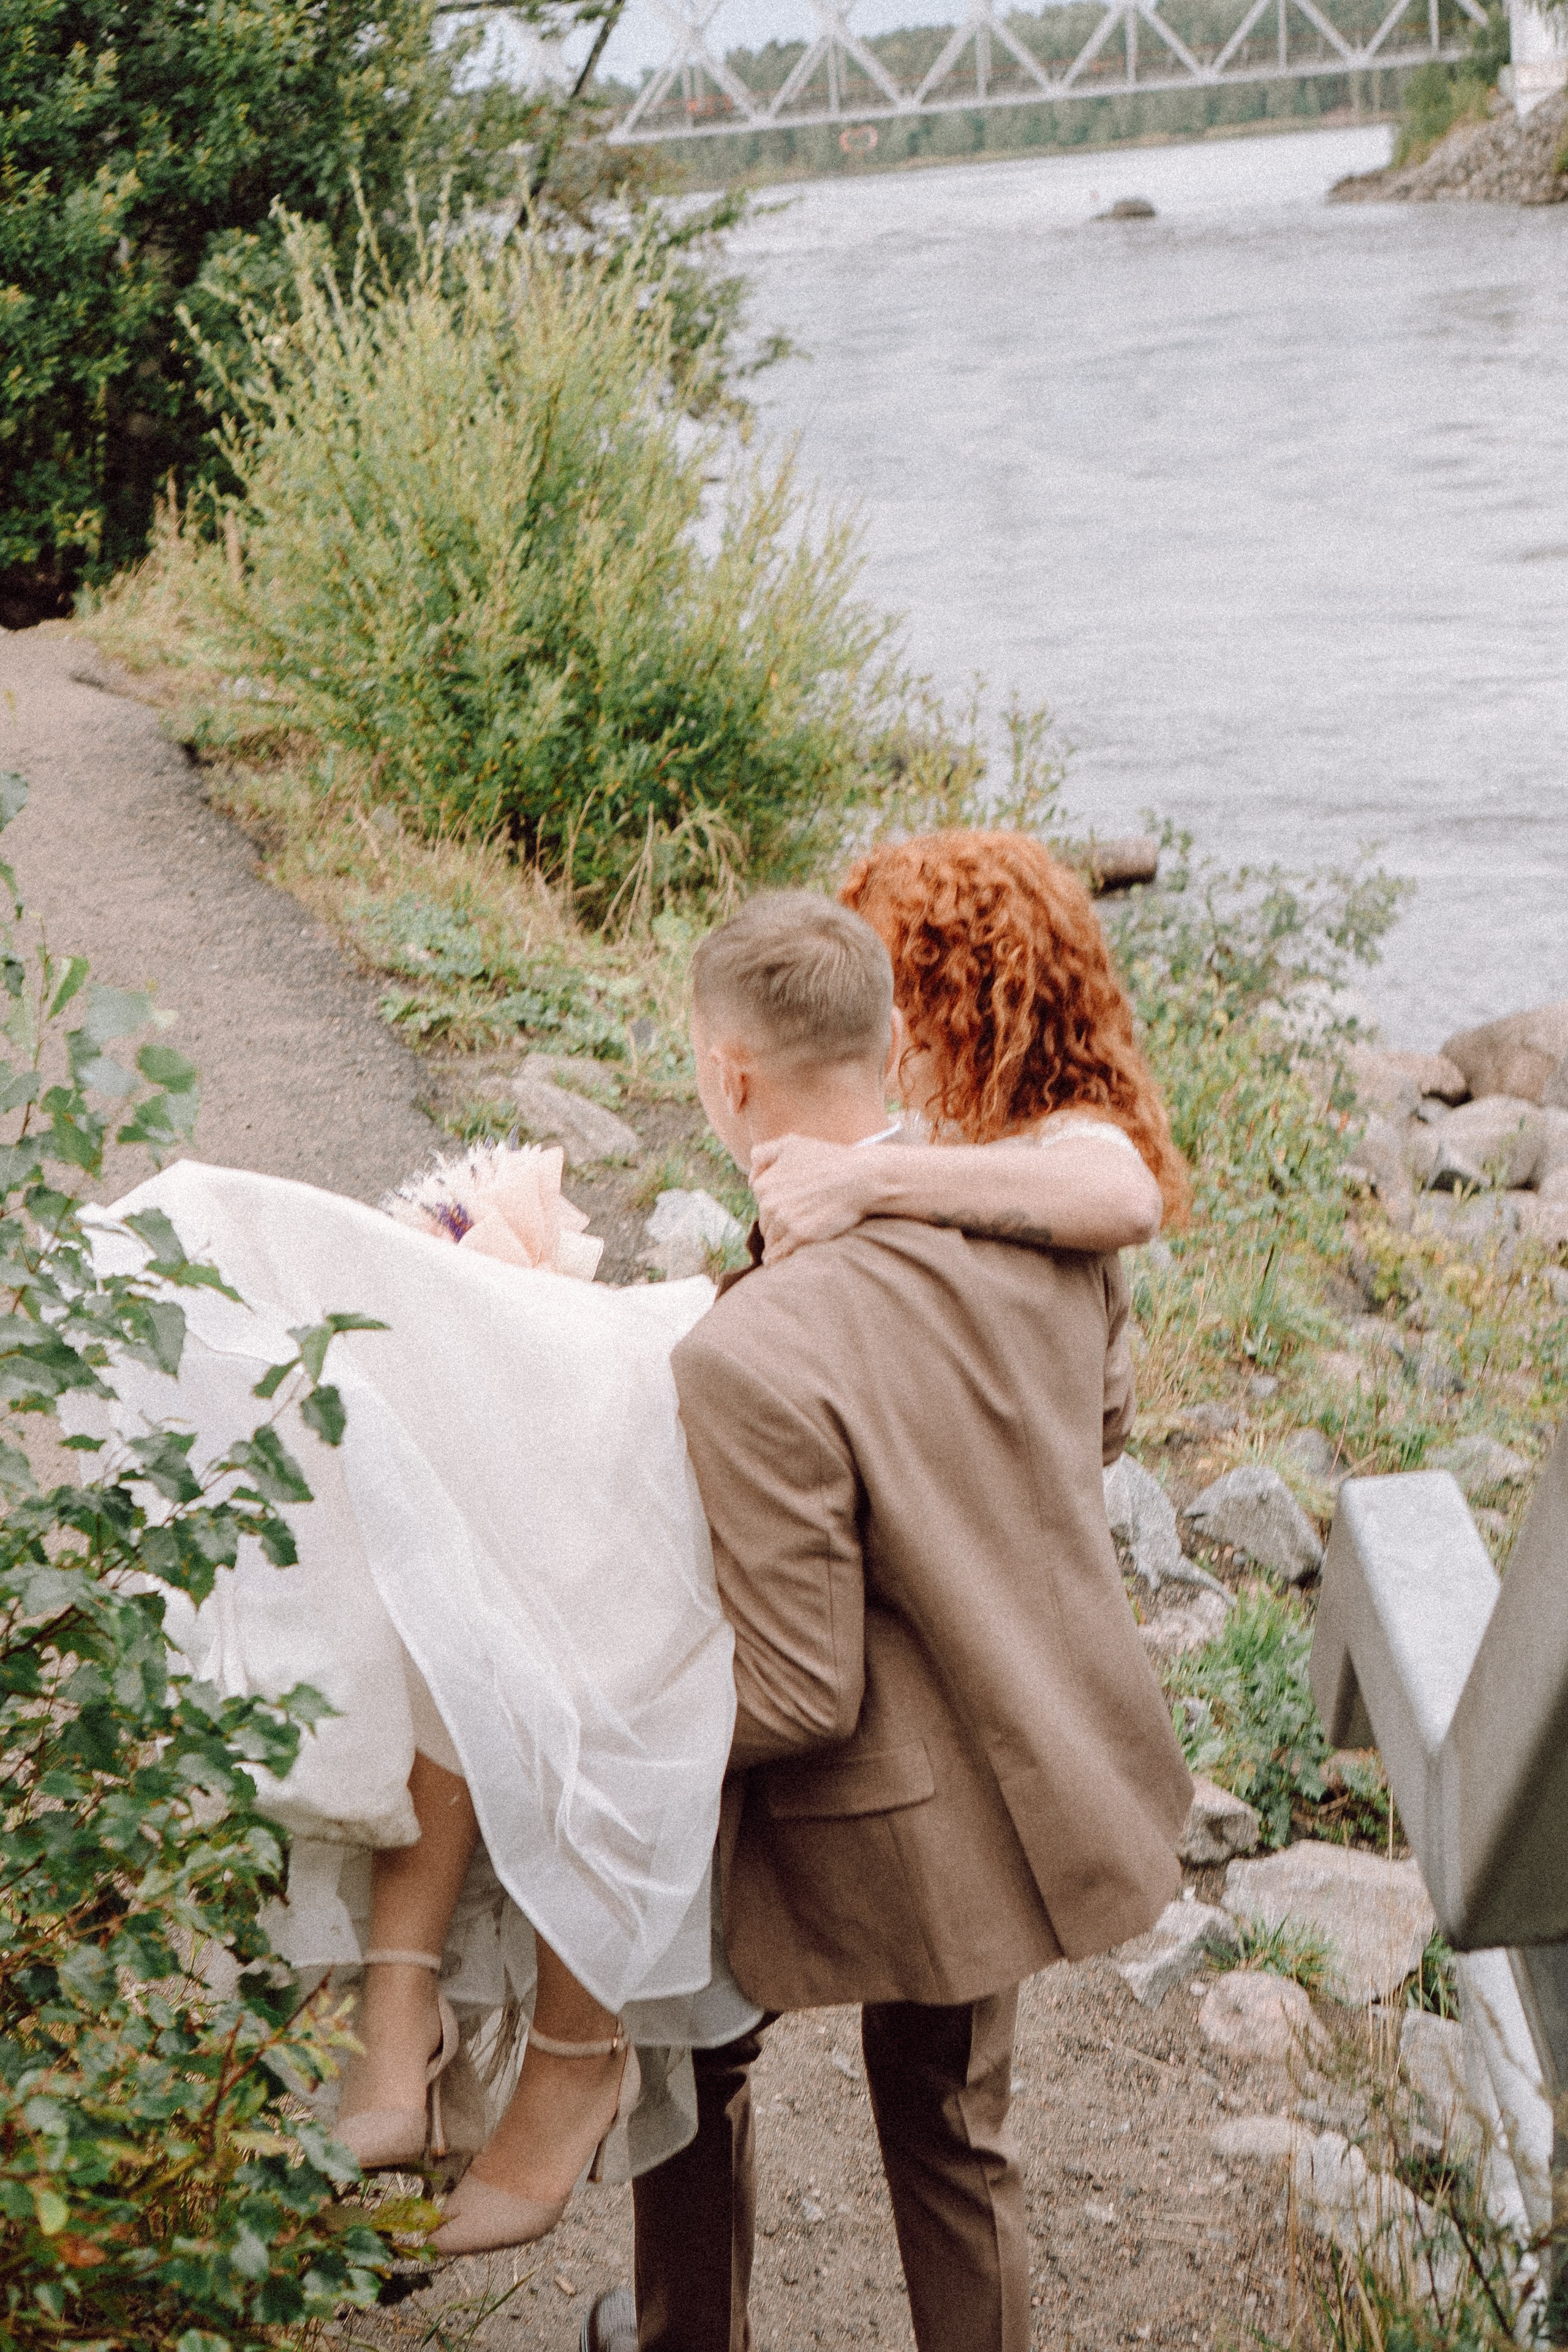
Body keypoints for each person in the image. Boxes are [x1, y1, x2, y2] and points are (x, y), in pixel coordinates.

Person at [595, 883, 1192, 2352]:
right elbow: (1089, 1438)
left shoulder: (746, 1349)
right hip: (1014, 1773)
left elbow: (800, 1695)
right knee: (951, 2131)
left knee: (698, 2065)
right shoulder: (1045, 1231)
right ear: (889, 1045)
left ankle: (683, 2340)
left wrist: (605, 1733)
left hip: (842, 1810)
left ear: (726, 1074)